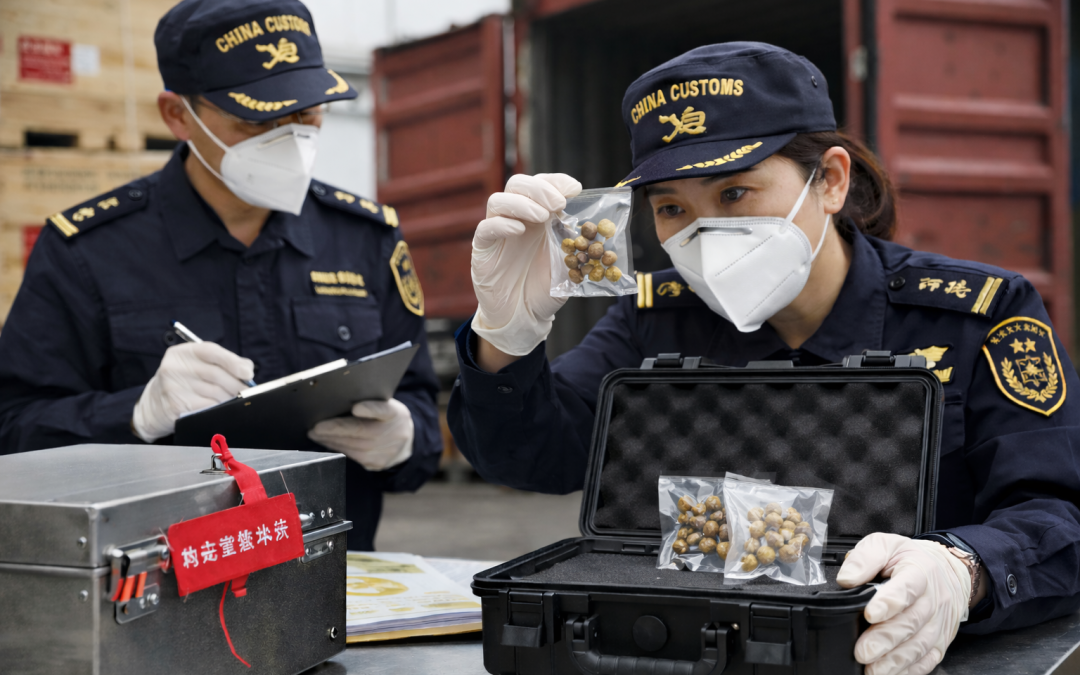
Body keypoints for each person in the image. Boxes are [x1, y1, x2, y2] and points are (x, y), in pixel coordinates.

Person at [448, 42, 1080, 673]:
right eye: (672, 208)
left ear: (831, 181)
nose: (703, 233)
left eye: (735, 193)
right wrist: (506, 336)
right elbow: (538, 460)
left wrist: (965, 569)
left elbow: (1059, 513)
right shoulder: (652, 318)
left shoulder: (974, 314)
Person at [0, 0, 441, 552]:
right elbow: (14, 431)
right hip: (157, 592)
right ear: (177, 115)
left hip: (332, 578)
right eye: (256, 119)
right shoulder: (91, 251)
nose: (288, 137)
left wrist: (405, 440)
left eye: (306, 114)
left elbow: (421, 407)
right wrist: (134, 414)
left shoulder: (363, 240)